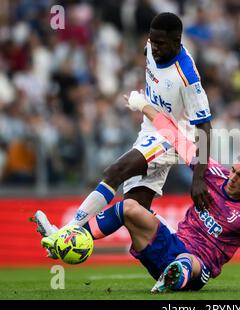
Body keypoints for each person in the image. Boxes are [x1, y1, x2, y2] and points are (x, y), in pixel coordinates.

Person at [40, 91, 240, 293]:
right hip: (170, 245)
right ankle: (69, 237)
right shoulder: (212, 173)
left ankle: (172, 279)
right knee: (127, 207)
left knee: (186, 262)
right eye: (234, 170)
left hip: (197, 267)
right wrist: (143, 106)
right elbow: (173, 134)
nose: (233, 177)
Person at [34, 12, 214, 256]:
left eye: (161, 43)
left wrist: (199, 177)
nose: (155, 47)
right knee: (133, 209)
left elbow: (204, 126)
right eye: (152, 41)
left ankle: (64, 233)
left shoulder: (188, 76)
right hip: (149, 129)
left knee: (114, 172)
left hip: (173, 137)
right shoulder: (150, 49)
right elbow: (148, 58)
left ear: (177, 41)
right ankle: (182, 256)